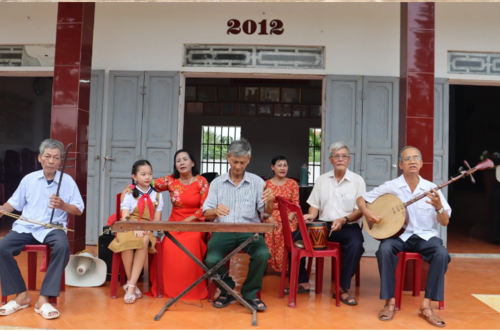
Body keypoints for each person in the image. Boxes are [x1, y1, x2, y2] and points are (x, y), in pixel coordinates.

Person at [357, 146, 451, 327]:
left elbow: (445, 222)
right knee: (384, 250)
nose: (412, 161)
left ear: (422, 163)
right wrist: (366, 211)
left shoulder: (431, 188)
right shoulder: (391, 186)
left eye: (416, 158)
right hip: (399, 236)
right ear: (401, 164)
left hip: (425, 236)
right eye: (408, 159)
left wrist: (439, 206)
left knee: (442, 254)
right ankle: (389, 302)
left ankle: (426, 306)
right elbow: (362, 199)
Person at [0, 139, 84, 319]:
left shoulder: (67, 181)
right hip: (26, 226)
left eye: (56, 157)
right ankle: (21, 295)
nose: (51, 161)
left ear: (60, 161)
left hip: (52, 228)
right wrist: (1, 210)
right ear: (40, 158)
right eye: (47, 156)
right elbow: (13, 204)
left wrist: (62, 205)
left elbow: (78, 210)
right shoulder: (28, 179)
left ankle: (43, 299)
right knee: (2, 247)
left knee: (62, 247)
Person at [203, 138, 274, 311]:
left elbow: (267, 212)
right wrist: (215, 211)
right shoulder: (217, 183)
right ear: (228, 157)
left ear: (249, 159)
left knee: (263, 254)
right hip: (223, 230)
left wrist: (270, 201)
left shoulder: (257, 182)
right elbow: (206, 213)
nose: (238, 166)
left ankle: (249, 293)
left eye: (242, 162)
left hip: (250, 231)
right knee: (211, 259)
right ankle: (226, 289)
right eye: (235, 161)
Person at [293, 141, 366, 305]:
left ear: (349, 160)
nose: (340, 159)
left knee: (356, 245)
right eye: (336, 156)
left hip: (348, 225)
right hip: (323, 226)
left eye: (343, 156)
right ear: (330, 160)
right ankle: (303, 281)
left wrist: (343, 219)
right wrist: (311, 216)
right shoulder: (322, 180)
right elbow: (314, 206)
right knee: (294, 237)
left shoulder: (357, 181)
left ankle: (343, 288)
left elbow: (360, 210)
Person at [148, 149, 209, 299]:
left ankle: (192, 287)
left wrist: (186, 222)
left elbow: (204, 209)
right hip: (174, 224)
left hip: (195, 224)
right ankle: (168, 288)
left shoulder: (202, 181)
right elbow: (147, 182)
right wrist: (130, 187)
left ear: (192, 162)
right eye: (178, 160)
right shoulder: (170, 180)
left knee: (193, 242)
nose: (181, 163)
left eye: (185, 159)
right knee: (168, 244)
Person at [108, 160, 163, 304]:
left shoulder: (157, 195)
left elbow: (156, 220)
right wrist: (135, 227)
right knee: (127, 240)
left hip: (148, 228)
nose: (147, 177)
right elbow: (125, 216)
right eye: (143, 174)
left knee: (144, 240)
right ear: (134, 176)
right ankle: (132, 284)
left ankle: (130, 285)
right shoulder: (129, 193)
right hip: (129, 226)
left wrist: (145, 228)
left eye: (150, 174)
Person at [264, 155, 299, 273]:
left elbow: (296, 204)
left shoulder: (292, 183)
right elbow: (262, 206)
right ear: (272, 167)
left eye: (285, 165)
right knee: (272, 228)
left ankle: (287, 266)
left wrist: (287, 220)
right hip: (271, 215)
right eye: (279, 165)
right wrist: (270, 218)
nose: (282, 168)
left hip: (289, 216)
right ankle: (271, 263)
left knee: (286, 229)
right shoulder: (266, 184)